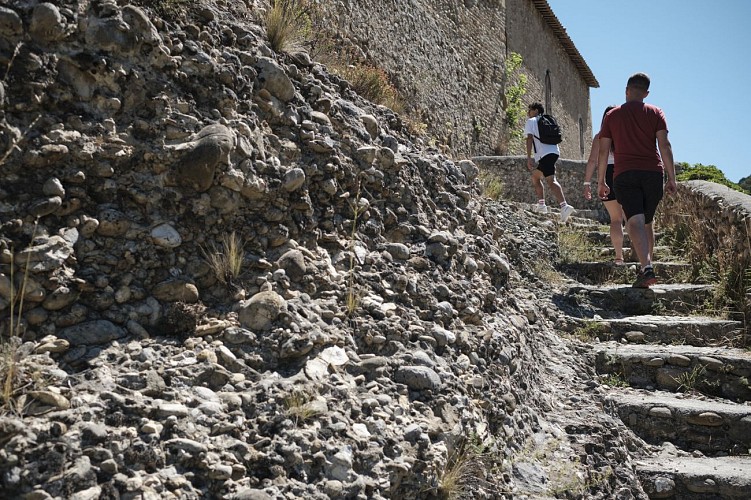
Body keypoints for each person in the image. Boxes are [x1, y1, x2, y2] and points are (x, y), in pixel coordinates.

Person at [598, 73, 677, 288]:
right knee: (647, 222)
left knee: (634, 221)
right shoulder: (655, 112)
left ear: (626, 90)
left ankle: (647, 268)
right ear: (646, 93)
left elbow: (603, 151)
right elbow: (665, 146)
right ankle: (647, 264)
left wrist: (600, 182)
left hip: (625, 174)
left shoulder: (612, 116)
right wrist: (672, 178)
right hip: (653, 174)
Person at [584, 105, 625, 265]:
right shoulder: (625, 134)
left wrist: (587, 183)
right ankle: (642, 257)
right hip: (625, 172)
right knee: (632, 218)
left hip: (607, 174)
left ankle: (619, 257)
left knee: (616, 219)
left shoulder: (599, 136)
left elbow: (592, 161)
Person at [525, 102, 575, 223]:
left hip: (544, 154)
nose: (528, 113)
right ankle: (542, 205)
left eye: (529, 110)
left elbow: (529, 138)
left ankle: (564, 206)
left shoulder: (531, 121)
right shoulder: (548, 120)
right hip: (554, 151)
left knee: (550, 180)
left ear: (535, 110)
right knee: (535, 176)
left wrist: (529, 157)